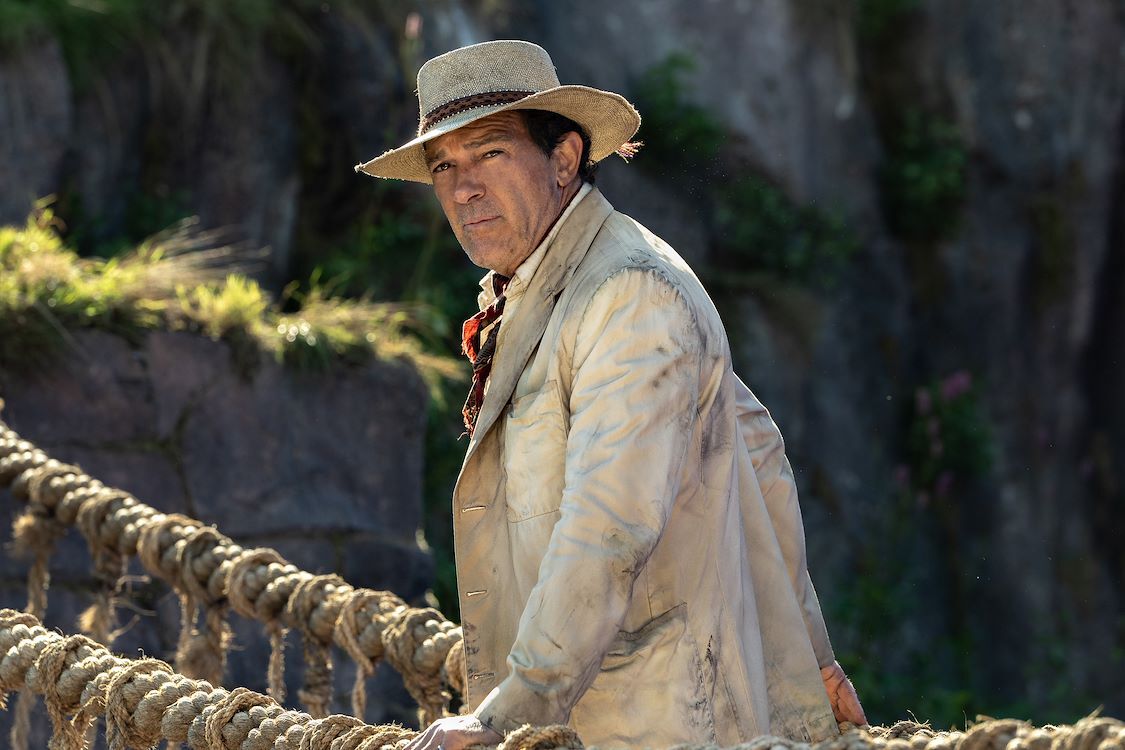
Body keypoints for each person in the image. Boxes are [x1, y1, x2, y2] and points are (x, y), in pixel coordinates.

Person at [356, 39, 866, 750]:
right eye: (444, 165)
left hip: (660, 724)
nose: (463, 188)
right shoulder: (544, 289)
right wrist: (809, 654)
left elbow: (608, 526)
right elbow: (755, 451)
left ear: (564, 158)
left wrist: (507, 716)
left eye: (490, 153)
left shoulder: (628, 292)